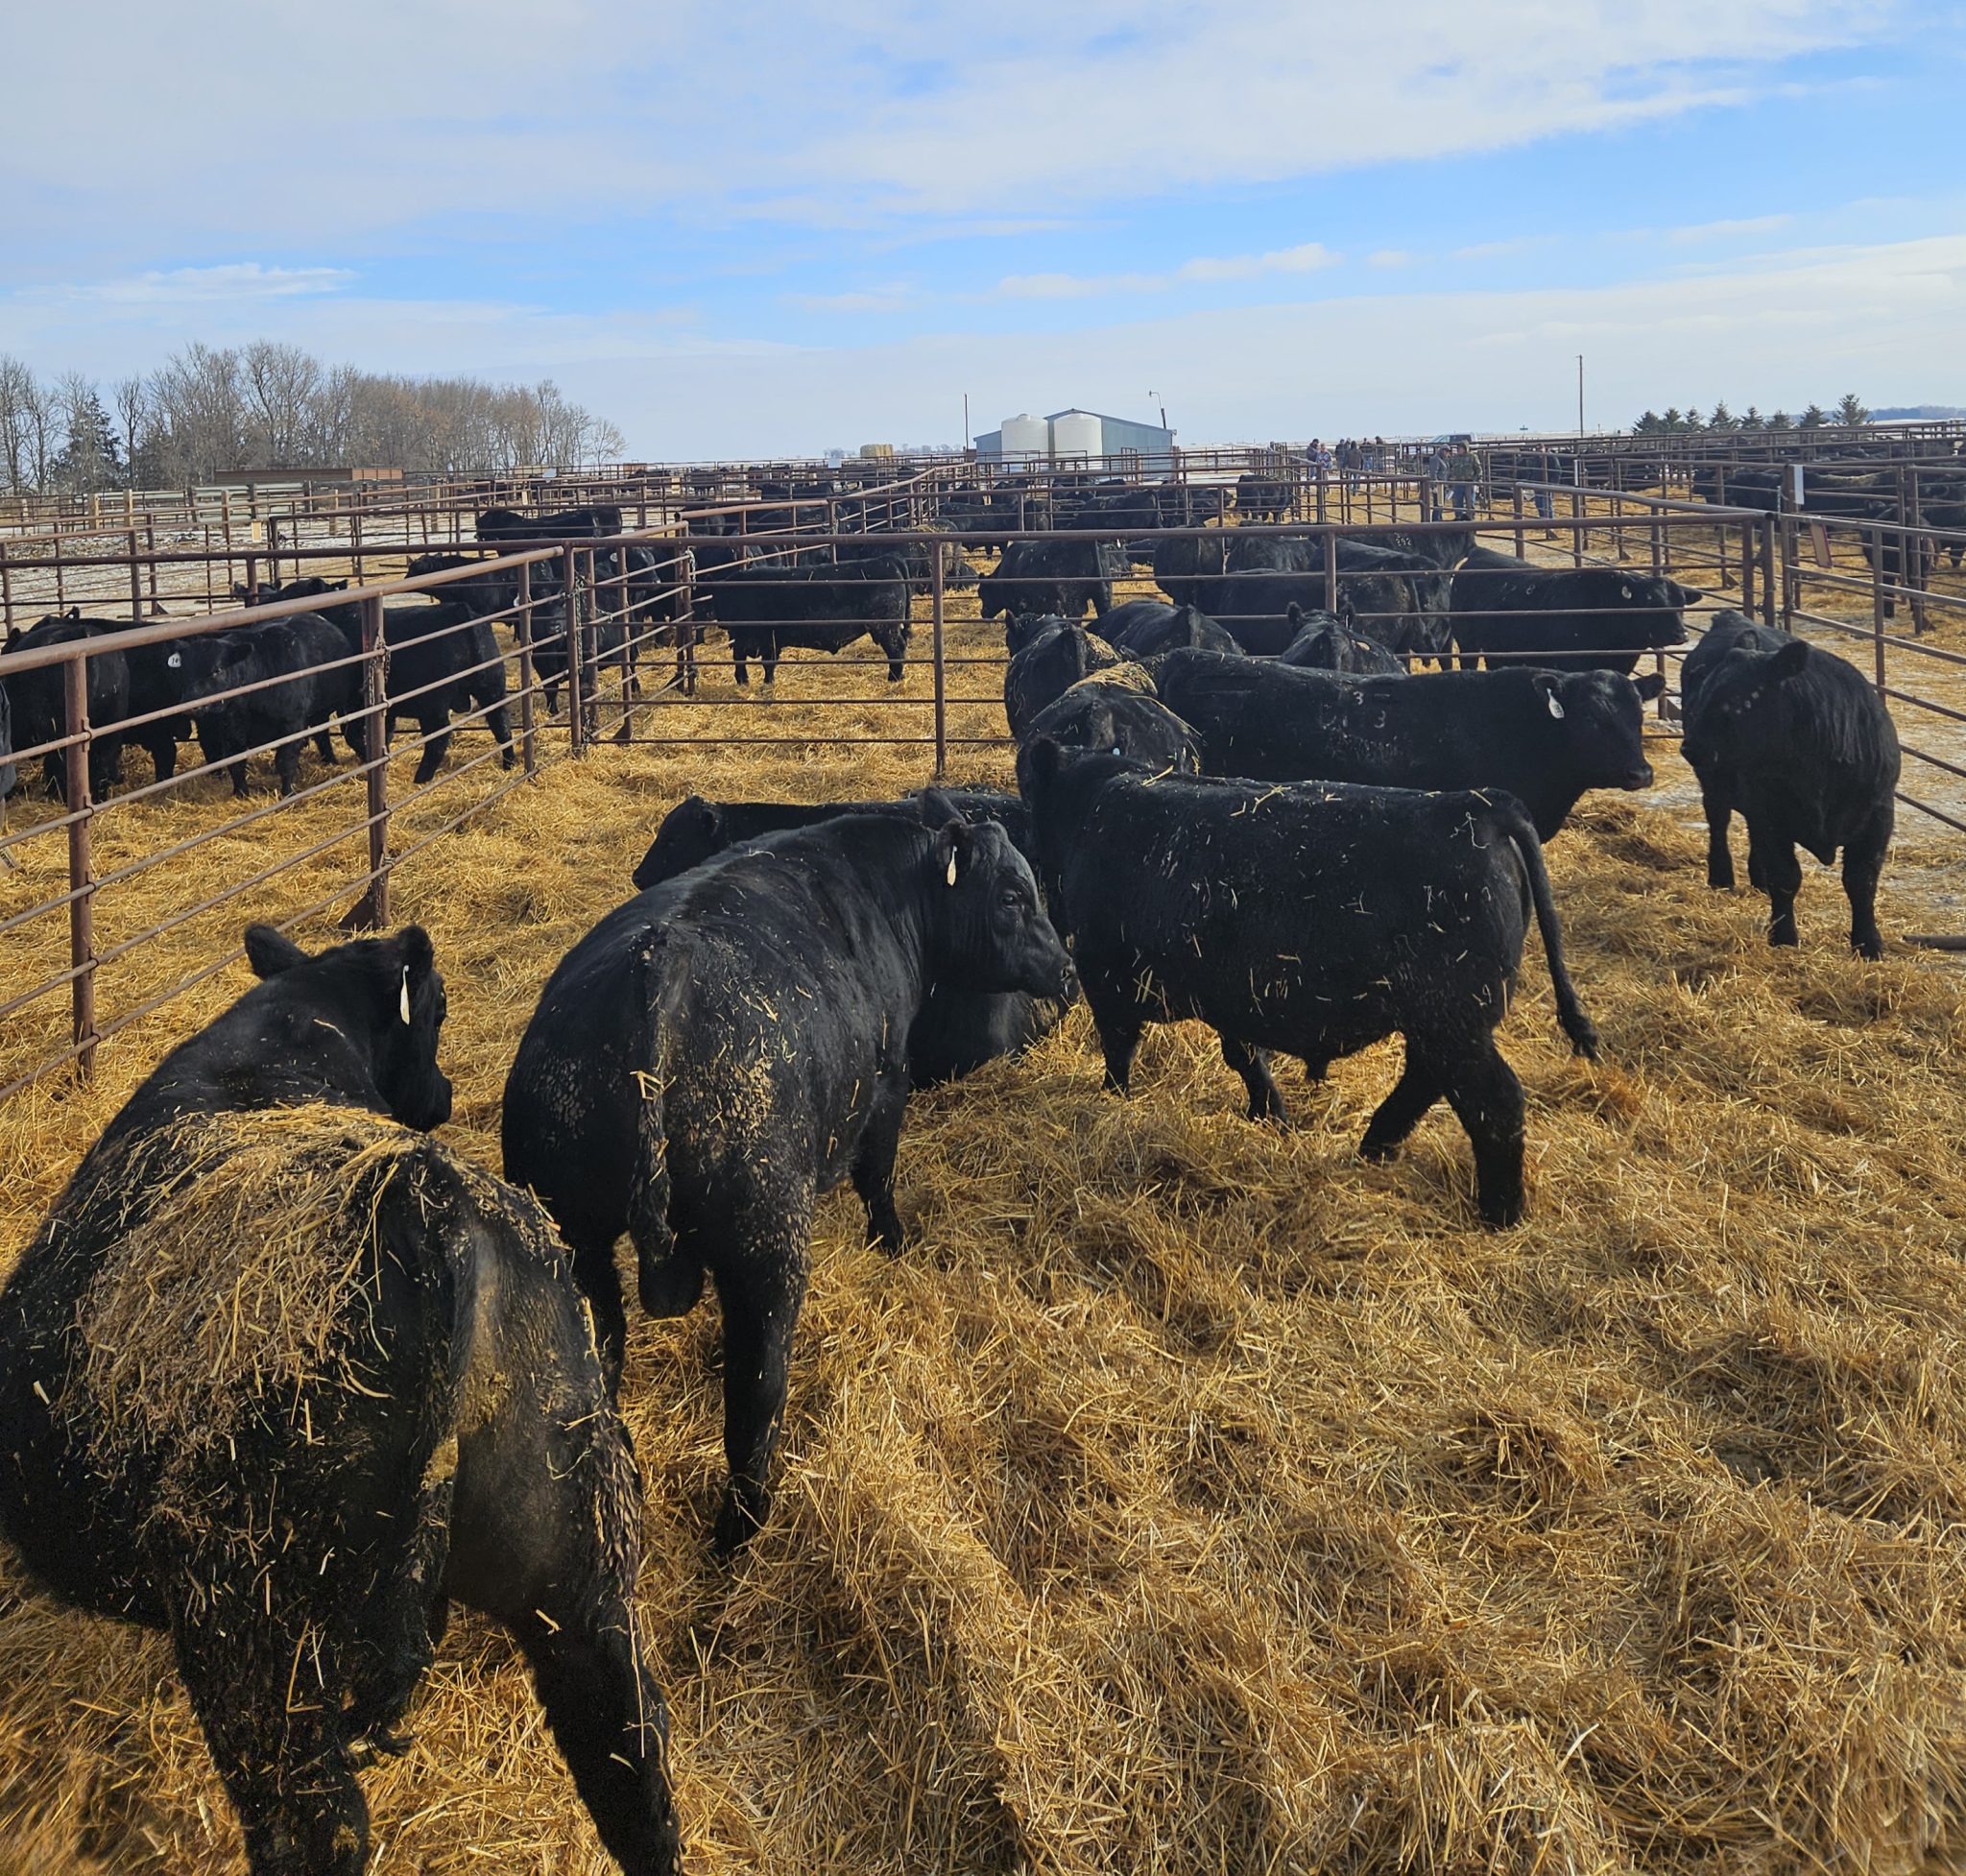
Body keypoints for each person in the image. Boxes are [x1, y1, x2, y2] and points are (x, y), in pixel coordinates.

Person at [1448, 444, 1479, 522]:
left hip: (1469, 482)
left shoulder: (1472, 457)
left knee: (1470, 501)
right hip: (1457, 482)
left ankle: (1470, 518)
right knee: (1457, 501)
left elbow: (1478, 469)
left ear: (1465, 449)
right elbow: (1449, 469)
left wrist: (1477, 479)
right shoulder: (1454, 458)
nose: (1459, 450)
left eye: (1461, 448)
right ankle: (1459, 518)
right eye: (1458, 448)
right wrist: (1450, 480)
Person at [1426, 443, 1451, 521]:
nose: (1447, 452)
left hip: (1443, 485)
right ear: (1441, 450)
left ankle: (1438, 519)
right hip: (1439, 485)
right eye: (1445, 451)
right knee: (1438, 504)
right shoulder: (1436, 459)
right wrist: (1435, 485)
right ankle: (1436, 520)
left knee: (1440, 504)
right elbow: (1433, 473)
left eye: (1448, 451)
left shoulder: (1444, 460)